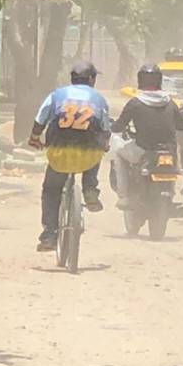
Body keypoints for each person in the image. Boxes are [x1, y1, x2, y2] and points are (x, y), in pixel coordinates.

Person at [29, 61, 111, 252]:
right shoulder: (99, 98)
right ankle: (90, 188)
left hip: (59, 153)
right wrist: (105, 145)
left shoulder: (57, 95)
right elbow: (105, 128)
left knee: (51, 190)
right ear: (91, 79)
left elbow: (41, 118)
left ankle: (50, 234)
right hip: (88, 155)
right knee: (97, 150)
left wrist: (34, 138)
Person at [110, 64, 183, 209]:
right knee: (174, 167)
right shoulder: (170, 102)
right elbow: (182, 126)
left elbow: (119, 126)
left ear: (140, 80)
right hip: (169, 150)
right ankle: (171, 193)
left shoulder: (136, 102)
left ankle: (124, 195)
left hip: (142, 149)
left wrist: (112, 127)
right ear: (160, 80)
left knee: (118, 152)